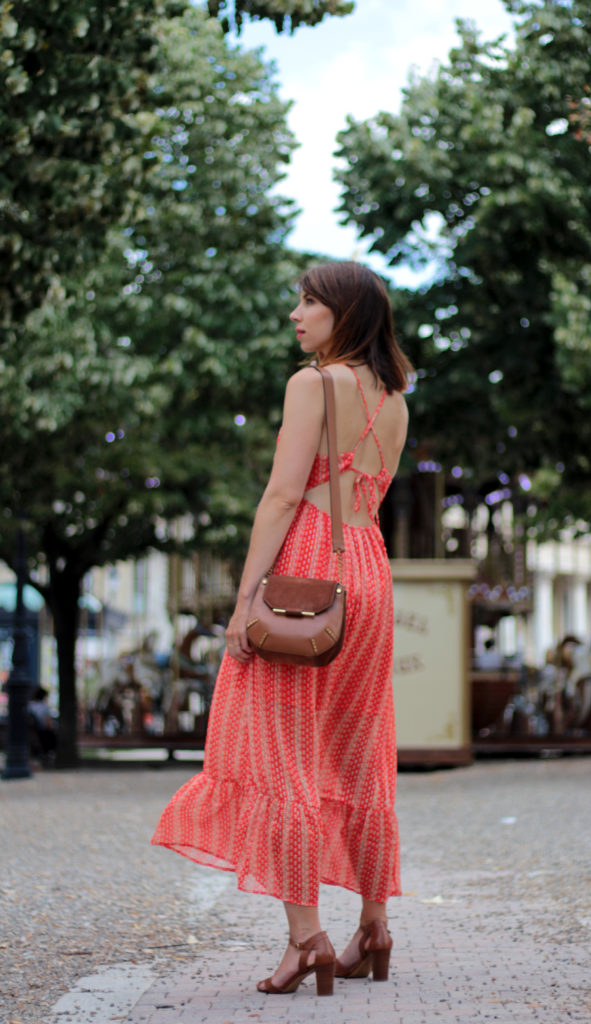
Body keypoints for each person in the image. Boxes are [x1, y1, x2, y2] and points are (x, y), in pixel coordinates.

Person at [152, 260, 411, 996]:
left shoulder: (311, 384)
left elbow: (281, 496)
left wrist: (242, 602)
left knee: (280, 753)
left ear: (345, 313)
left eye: (309, 302)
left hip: (307, 564)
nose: (296, 313)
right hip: (368, 568)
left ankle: (308, 940)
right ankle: (373, 925)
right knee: (361, 746)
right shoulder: (392, 398)